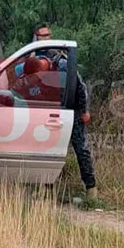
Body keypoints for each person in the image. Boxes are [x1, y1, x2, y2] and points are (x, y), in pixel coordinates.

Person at [33, 23, 96, 198]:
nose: (45, 39)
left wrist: (84, 110)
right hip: (50, 112)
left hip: (70, 111)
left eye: (47, 35)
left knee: (80, 149)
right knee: (47, 150)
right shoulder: (34, 58)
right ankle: (45, 188)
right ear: (35, 37)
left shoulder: (59, 59)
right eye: (42, 36)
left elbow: (80, 86)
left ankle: (91, 189)